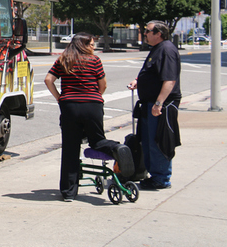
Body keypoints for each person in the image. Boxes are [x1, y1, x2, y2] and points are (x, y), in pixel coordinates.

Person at [44, 33, 134, 201]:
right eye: (91, 44)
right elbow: (103, 84)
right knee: (97, 141)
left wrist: (59, 98)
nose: (93, 47)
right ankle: (116, 149)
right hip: (92, 105)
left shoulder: (64, 60)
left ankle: (69, 192)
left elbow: (48, 79)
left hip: (69, 106)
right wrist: (95, 98)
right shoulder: (94, 61)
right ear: (83, 45)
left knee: (71, 149)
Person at [127, 21, 181, 190]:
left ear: (159, 33)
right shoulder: (157, 49)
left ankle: (161, 178)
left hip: (161, 105)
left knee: (158, 141)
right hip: (149, 104)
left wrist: (158, 104)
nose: (145, 33)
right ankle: (154, 175)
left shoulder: (167, 49)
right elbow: (153, 72)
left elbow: (170, 80)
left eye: (148, 31)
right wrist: (138, 81)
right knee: (148, 140)